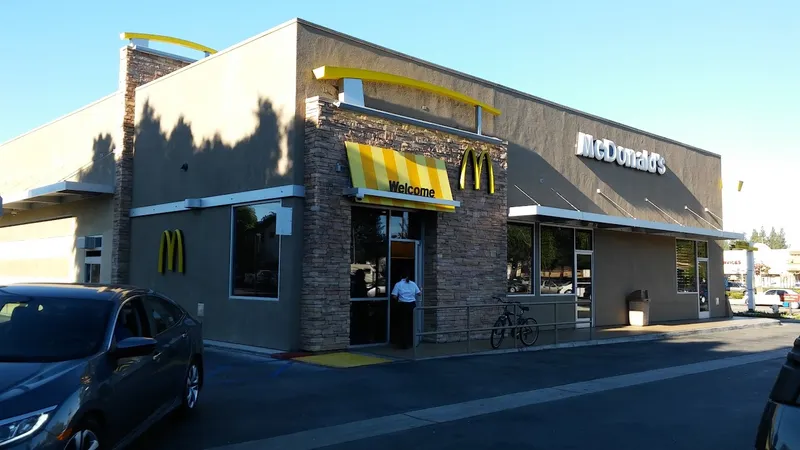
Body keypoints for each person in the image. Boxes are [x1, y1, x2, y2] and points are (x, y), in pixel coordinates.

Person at [391, 272, 421, 349]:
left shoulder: (398, 284)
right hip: (412, 306)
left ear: (401, 276)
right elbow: (419, 293)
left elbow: (394, 296)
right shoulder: (413, 284)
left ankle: (403, 343)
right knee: (412, 324)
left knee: (403, 324)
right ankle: (412, 342)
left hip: (403, 306)